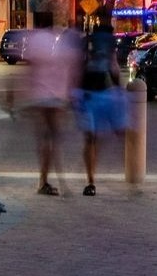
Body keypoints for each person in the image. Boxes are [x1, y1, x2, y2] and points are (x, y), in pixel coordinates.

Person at [13, 19, 79, 195]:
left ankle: (44, 181)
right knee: (54, 140)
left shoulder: (35, 41)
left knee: (45, 141)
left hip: (40, 97)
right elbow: (70, 70)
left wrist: (19, 94)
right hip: (55, 98)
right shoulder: (61, 42)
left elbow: (29, 70)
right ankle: (55, 181)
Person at [73, 19, 131, 196]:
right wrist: (120, 89)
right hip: (103, 92)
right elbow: (113, 66)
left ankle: (90, 182)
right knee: (119, 132)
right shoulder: (109, 41)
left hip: (85, 93)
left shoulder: (86, 41)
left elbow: (76, 67)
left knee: (90, 138)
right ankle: (132, 176)